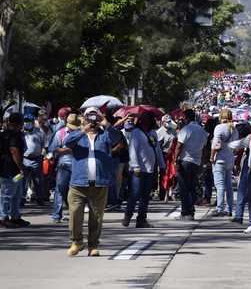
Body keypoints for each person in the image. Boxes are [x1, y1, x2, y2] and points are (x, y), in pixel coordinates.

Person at [64, 107, 121, 256]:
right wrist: (83, 129)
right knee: (75, 214)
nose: (92, 119)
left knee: (96, 216)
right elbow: (67, 142)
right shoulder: (78, 135)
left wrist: (106, 123)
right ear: (84, 118)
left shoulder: (105, 135)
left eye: (95, 116)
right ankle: (76, 242)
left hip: (99, 183)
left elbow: (117, 138)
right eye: (89, 116)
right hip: (78, 183)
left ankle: (93, 245)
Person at [123, 111, 166, 228]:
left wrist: (162, 165)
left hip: (150, 169)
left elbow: (157, 151)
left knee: (145, 196)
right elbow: (132, 150)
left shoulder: (153, 133)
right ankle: (128, 215)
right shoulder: (136, 133)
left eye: (150, 118)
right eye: (145, 118)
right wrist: (135, 166)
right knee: (135, 194)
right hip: (138, 170)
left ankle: (141, 219)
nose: (148, 121)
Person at [0, 113, 31, 229]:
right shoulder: (13, 135)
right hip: (8, 169)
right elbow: (14, 150)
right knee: (7, 194)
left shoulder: (4, 134)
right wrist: (21, 167)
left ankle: (15, 217)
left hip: (13, 170)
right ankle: (3, 218)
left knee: (17, 193)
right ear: (18, 123)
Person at [174, 109, 208, 221]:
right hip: (196, 162)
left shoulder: (186, 129)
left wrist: (175, 160)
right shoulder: (202, 131)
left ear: (187, 118)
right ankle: (191, 211)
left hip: (185, 161)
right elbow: (204, 149)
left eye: (183, 117)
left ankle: (185, 213)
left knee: (184, 188)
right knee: (192, 187)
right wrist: (202, 164)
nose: (182, 119)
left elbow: (179, 146)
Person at [49, 113, 80, 223]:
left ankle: (74, 216)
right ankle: (57, 215)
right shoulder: (60, 133)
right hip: (64, 165)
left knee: (76, 191)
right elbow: (54, 148)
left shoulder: (80, 134)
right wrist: (69, 150)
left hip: (77, 166)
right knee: (60, 190)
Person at [210, 108, 238, 217]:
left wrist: (212, 157)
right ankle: (229, 208)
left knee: (220, 185)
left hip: (220, 158)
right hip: (230, 158)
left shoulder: (219, 128)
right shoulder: (234, 130)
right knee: (228, 185)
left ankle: (219, 208)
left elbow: (216, 143)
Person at [22, 114, 46, 206]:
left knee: (38, 181)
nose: (27, 123)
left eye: (29, 121)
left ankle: (39, 198)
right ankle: (22, 198)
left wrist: (42, 155)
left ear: (33, 122)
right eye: (25, 121)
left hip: (37, 159)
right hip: (25, 159)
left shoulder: (39, 132)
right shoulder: (22, 133)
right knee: (23, 181)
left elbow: (44, 145)